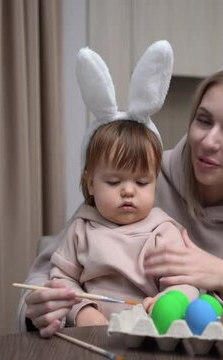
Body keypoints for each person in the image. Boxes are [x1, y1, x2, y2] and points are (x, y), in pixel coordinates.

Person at [18, 0, 223, 337]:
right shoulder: (137, 180)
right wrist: (41, 309)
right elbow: (41, 281)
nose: (209, 141)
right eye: (204, 120)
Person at [50, 119, 198, 327]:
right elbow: (61, 280)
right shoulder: (81, 229)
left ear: (155, 184)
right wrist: (81, 311)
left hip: (147, 332)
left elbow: (187, 284)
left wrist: (170, 301)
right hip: (91, 334)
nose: (128, 191)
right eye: (114, 182)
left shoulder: (163, 231)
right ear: (91, 183)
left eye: (141, 182)